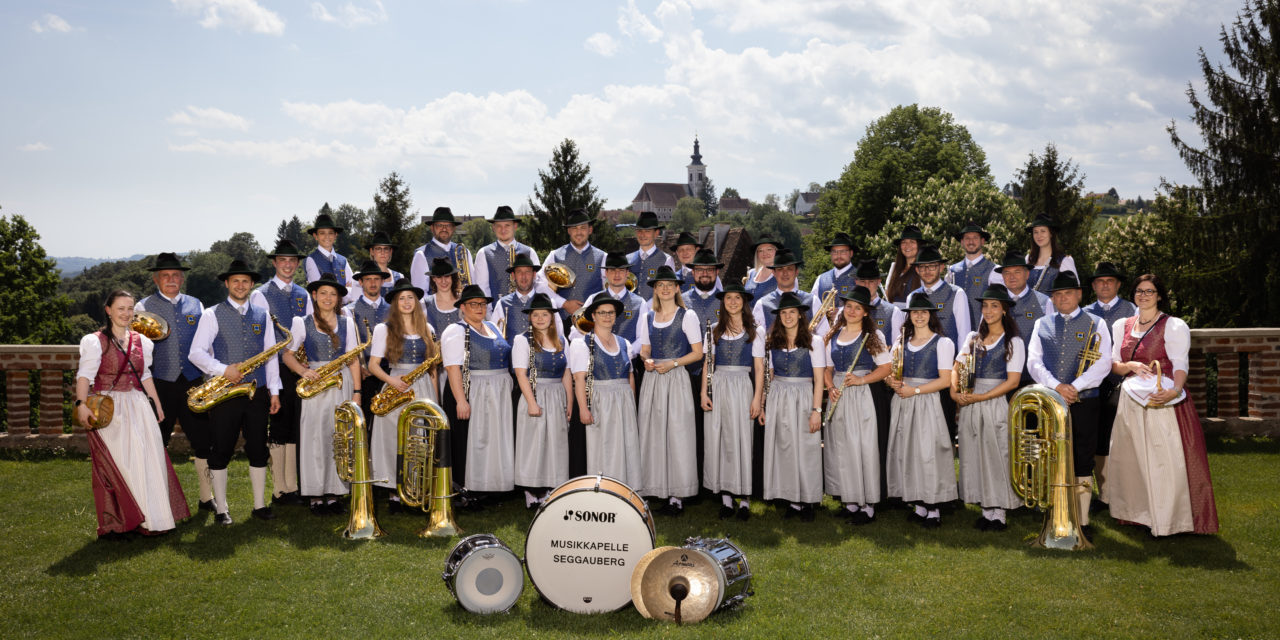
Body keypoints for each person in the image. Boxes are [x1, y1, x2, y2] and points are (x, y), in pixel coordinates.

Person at [1105, 274, 1219, 536]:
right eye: (1139, 291)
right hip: (1131, 401)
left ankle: (1169, 519)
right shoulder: (1122, 325)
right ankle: (1137, 514)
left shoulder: (1173, 325)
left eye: (1150, 291)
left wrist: (1175, 391)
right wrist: (1130, 366)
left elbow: (1180, 365)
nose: (1144, 295)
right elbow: (1114, 364)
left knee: (1164, 462)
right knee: (1133, 460)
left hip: (1162, 400)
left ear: (1159, 295)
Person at [76, 290, 190, 538]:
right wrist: (80, 403)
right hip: (109, 407)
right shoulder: (94, 341)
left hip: (138, 405)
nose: (127, 313)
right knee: (119, 464)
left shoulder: (143, 341)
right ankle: (120, 522)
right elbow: (84, 375)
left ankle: (152, 519)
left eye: (130, 309)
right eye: (121, 308)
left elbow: (145, 375)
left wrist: (157, 405)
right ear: (108, 310)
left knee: (147, 460)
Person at [188, 259, 283, 525]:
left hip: (258, 391)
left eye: (245, 281)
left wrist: (274, 391)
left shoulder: (262, 316)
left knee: (257, 448)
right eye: (235, 281)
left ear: (252, 285)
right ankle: (221, 509)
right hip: (225, 392)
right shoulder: (211, 314)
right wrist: (221, 369)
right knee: (221, 448)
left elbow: (270, 357)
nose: (240, 285)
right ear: (227, 284)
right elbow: (195, 353)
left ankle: (259, 505)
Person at [1026, 271, 1113, 530]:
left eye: (1068, 293)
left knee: (1082, 458)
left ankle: (1083, 521)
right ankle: (1057, 515)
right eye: (1058, 294)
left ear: (1079, 295)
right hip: (1051, 403)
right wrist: (1057, 387)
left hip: (1085, 402)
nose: (1063, 298)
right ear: (1052, 299)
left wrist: (1074, 387)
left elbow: (1104, 362)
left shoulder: (1096, 323)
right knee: (1051, 456)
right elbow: (1033, 361)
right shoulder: (1042, 324)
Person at [134, 252, 211, 508]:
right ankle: (157, 499)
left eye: (176, 275)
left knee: (202, 441)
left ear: (182, 278)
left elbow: (206, 345)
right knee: (157, 441)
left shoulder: (196, 305)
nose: (171, 279)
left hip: (192, 381)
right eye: (165, 275)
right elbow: (138, 351)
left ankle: (206, 497)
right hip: (160, 384)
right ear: (156, 279)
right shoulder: (143, 307)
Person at [280, 273, 360, 515]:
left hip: (340, 383)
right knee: (314, 437)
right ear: (314, 296)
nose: (327, 298)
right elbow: (287, 354)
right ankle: (315, 495)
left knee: (339, 436)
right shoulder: (301, 321)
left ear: (338, 299)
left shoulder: (347, 323)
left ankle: (335, 493)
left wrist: (357, 392)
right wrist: (303, 371)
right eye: (323, 293)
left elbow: (353, 358)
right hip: (315, 386)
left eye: (332, 294)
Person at [951, 284, 1024, 531]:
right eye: (985, 306)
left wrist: (982, 398)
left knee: (997, 455)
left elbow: (1012, 381)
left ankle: (999, 511)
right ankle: (985, 508)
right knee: (974, 454)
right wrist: (954, 391)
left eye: (995, 306)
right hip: (971, 401)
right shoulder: (973, 338)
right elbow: (957, 367)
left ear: (1004, 310)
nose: (989, 311)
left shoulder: (1013, 341)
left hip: (995, 402)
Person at [366, 278, 441, 513]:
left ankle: (416, 491)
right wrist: (392, 381)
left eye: (411, 298)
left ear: (417, 302)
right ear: (395, 303)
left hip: (422, 389)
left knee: (420, 441)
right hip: (397, 386)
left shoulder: (427, 329)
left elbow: (432, 370)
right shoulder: (384, 329)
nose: (407, 302)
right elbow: (373, 365)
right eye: (402, 298)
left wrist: (436, 402)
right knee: (395, 440)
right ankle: (394, 494)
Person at [248, 240, 313, 507]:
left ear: (297, 264)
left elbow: (309, 328)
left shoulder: (304, 294)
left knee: (296, 425)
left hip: (300, 368)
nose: (288, 265)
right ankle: (279, 489)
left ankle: (294, 486)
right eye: (282, 260)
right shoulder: (261, 294)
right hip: (274, 368)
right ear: (274, 263)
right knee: (279, 425)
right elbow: (260, 337)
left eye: (292, 261)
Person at [885, 293, 957, 528]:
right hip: (903, 401)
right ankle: (918, 503)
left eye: (923, 312)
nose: (918, 316)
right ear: (909, 316)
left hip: (927, 402)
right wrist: (892, 383)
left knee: (929, 454)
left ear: (931, 315)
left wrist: (915, 391)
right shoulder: (900, 342)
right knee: (908, 452)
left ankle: (934, 507)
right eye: (914, 312)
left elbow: (946, 380)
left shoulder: (943, 343)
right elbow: (890, 372)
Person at [636, 266, 704, 515]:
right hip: (654, 380)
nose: (664, 289)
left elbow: (698, 352)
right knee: (654, 434)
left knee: (678, 434)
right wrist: (647, 360)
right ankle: (658, 488)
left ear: (677, 288)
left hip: (676, 379)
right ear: (654, 289)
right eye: (659, 285)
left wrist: (673, 363)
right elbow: (644, 348)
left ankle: (678, 495)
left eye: (669, 284)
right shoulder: (647, 317)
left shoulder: (687, 316)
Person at [823, 286, 893, 525]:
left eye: (858, 308)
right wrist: (830, 386)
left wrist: (862, 379)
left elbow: (886, 368)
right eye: (849, 306)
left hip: (862, 394)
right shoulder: (834, 333)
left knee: (862, 446)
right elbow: (827, 368)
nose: (852, 311)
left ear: (865, 312)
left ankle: (868, 504)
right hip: (839, 395)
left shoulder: (873, 336)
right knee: (842, 447)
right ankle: (851, 500)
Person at [441, 285, 515, 497]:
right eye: (474, 304)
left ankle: (493, 484)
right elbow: (453, 368)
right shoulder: (456, 330)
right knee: (474, 440)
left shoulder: (491, 326)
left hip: (497, 392)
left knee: (494, 439)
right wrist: (461, 401)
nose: (479, 308)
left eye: (482, 304)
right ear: (462, 307)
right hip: (473, 390)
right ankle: (468, 487)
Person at [700, 283, 764, 520]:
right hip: (718, 384)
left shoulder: (754, 331)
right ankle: (726, 499)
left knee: (741, 439)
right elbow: (708, 362)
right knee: (719, 437)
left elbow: (759, 367)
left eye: (738, 297)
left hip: (741, 385)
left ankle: (744, 499)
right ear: (723, 302)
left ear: (744, 302)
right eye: (729, 297)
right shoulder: (715, 329)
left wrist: (758, 399)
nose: (733, 301)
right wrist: (703, 392)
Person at [761, 292, 827, 521]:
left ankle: (808, 499)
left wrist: (816, 411)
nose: (788, 316)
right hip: (779, 395)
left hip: (803, 396)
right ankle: (792, 499)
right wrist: (764, 405)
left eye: (792, 312)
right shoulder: (772, 342)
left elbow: (819, 380)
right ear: (779, 316)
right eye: (783, 313)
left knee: (806, 447)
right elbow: (769, 376)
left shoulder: (814, 342)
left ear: (800, 315)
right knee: (785, 447)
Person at [568, 294, 642, 488]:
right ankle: (603, 488)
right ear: (593, 316)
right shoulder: (581, 343)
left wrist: (632, 404)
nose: (607, 316)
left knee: (625, 446)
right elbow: (579, 378)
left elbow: (630, 376)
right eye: (602, 312)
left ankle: (625, 487)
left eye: (611, 312)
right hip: (600, 401)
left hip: (623, 400)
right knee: (604, 446)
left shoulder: (625, 343)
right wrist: (583, 409)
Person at [511, 293, 573, 508]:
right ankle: (530, 491)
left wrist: (570, 403)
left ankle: (550, 489)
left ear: (551, 317)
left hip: (557, 394)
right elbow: (521, 374)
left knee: (554, 443)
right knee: (533, 443)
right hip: (535, 393)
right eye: (535, 315)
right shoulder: (522, 340)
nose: (539, 318)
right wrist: (531, 402)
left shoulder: (562, 341)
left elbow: (567, 373)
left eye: (544, 314)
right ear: (530, 317)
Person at [1084, 261, 1137, 502]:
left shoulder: (1132, 310)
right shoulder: (1084, 312)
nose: (1105, 285)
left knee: (1124, 437)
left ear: (1117, 285)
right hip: (1092, 383)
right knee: (1096, 438)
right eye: (1100, 281)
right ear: (1094, 286)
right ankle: (1103, 493)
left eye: (1110, 281)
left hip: (1121, 382)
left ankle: (1125, 491)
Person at [853, 257, 904, 502]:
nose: (866, 284)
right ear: (856, 281)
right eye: (862, 280)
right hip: (859, 381)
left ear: (878, 283)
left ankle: (882, 490)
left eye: (871, 281)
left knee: (880, 438)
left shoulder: (892, 311)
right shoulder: (849, 310)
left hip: (883, 382)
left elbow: (897, 348)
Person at [909, 244, 971, 437]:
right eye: (923, 267)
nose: (927, 271)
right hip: (918, 372)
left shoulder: (956, 293)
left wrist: (959, 373)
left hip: (946, 372)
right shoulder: (913, 296)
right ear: (917, 269)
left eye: (932, 266)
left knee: (943, 427)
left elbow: (964, 335)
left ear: (941, 268)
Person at [995, 251, 1054, 384]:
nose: (1012, 277)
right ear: (1002, 277)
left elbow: (1051, 343)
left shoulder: (1044, 302)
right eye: (1007, 273)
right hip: (1000, 377)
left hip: (1033, 378)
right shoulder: (993, 303)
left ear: (1027, 274)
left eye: (1017, 272)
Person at [538, 208, 607, 321]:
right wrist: (564, 304)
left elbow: (608, 290)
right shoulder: (555, 255)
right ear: (568, 231)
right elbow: (540, 285)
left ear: (590, 230)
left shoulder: (603, 257)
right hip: (561, 320)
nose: (579, 232)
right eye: (574, 228)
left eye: (583, 228)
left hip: (593, 321)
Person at [345, 260, 391, 425]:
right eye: (368, 279)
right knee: (363, 423)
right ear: (360, 282)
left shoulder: (393, 309)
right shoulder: (349, 310)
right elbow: (348, 345)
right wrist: (360, 369)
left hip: (389, 374)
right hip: (362, 375)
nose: (373, 283)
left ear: (382, 281)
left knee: (387, 421)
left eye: (376, 279)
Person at [473, 205, 543, 305]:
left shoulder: (530, 252)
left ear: (515, 226)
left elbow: (538, 285)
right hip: (495, 314)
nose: (503, 230)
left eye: (507, 225)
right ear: (493, 227)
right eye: (499, 226)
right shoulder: (483, 253)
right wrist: (490, 316)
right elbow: (482, 288)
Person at [489, 253, 564, 342]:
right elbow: (494, 337)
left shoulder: (549, 303)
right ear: (513, 276)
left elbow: (559, 336)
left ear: (534, 274)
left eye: (528, 271)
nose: (523, 276)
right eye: (519, 272)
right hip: (512, 355)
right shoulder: (502, 304)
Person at [947, 222, 1002, 329]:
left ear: (982, 241)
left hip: (983, 331)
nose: (971, 241)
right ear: (962, 242)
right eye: (967, 238)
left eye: (975, 238)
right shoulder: (952, 271)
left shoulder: (994, 270)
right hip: (956, 331)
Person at [752, 249, 819, 333]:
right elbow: (756, 340)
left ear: (796, 272)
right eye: (780, 269)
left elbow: (824, 335)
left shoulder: (812, 301)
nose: (785, 273)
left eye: (789, 269)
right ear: (774, 273)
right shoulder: (762, 304)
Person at [410, 207, 475, 293]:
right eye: (439, 225)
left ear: (453, 228)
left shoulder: (464, 252)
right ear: (432, 228)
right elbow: (420, 295)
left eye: (448, 225)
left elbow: (472, 284)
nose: (444, 229)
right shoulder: (422, 254)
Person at [303, 212, 357, 303]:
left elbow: (354, 291)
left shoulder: (343, 260)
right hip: (321, 314)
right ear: (316, 236)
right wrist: (345, 290)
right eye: (322, 233)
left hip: (343, 313)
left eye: (330, 233)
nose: (327, 236)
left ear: (335, 235)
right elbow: (320, 293)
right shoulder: (311, 260)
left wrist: (345, 292)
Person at [810, 232, 857, 328]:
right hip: (824, 336)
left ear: (851, 253)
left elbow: (867, 308)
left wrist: (840, 313)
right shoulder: (821, 279)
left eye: (843, 251)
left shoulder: (861, 278)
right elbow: (812, 308)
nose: (838, 255)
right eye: (834, 252)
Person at [627, 211, 674, 301]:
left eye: (647, 231)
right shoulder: (627, 259)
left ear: (656, 233)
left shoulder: (666, 260)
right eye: (639, 230)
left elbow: (670, 292)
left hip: (655, 312)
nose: (642, 234)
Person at [1026, 215, 1077, 296]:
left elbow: (1074, 294)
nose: (1039, 235)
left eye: (1043, 231)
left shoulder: (1064, 261)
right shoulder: (1028, 259)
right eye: (1035, 232)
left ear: (1051, 234)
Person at [885, 224, 925, 306]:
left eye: (912, 242)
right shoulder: (894, 267)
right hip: (894, 316)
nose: (907, 246)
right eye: (904, 242)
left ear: (919, 245)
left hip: (914, 316)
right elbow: (887, 295)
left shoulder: (924, 269)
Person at [423, 257, 462, 337]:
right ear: (434, 279)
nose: (443, 281)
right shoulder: (426, 304)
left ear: (452, 277)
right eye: (439, 277)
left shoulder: (463, 300)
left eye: (447, 276)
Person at [365, 231, 404, 298]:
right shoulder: (363, 277)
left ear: (390, 252)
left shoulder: (399, 277)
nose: (382, 252)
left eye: (386, 249)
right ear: (372, 251)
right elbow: (358, 305)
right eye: (378, 249)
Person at [742, 235, 780, 302]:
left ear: (776, 251)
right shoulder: (751, 273)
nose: (765, 253)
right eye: (760, 251)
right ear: (757, 254)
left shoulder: (784, 276)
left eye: (769, 249)